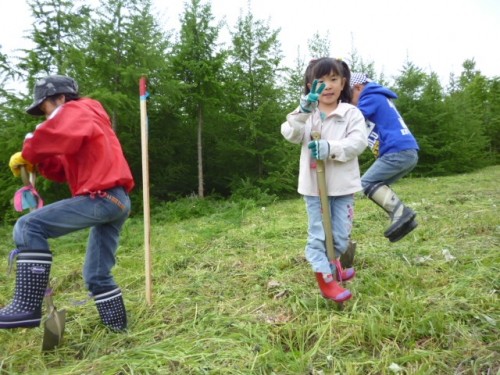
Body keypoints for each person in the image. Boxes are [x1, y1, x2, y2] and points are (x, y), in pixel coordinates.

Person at [1, 75, 134, 332]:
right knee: (97, 275)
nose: (45, 115)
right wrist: (35, 163)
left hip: (103, 197)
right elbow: (61, 169)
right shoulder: (86, 124)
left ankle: (26, 306)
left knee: (27, 227)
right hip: (116, 200)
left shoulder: (79, 109)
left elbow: (51, 134)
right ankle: (120, 332)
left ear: (61, 98)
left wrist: (28, 149)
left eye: (46, 108)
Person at [281, 58, 367, 303]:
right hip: (314, 187)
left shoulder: (351, 113)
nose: (327, 86)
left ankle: (335, 264)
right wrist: (303, 112)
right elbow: (290, 134)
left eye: (333, 79)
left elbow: (358, 142)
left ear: (343, 83)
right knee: (319, 234)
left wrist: (330, 147)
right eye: (320, 81)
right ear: (310, 86)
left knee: (340, 235)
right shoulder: (305, 114)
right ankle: (326, 280)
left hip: (342, 185)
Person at [350, 72, 419, 242]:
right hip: (406, 151)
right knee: (377, 186)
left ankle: (401, 213)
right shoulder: (378, 97)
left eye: (348, 96)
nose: (348, 101)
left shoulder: (370, 96)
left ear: (358, 87)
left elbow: (352, 119)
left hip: (397, 151)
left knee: (366, 183)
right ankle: (404, 221)